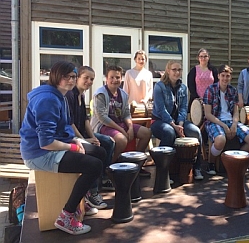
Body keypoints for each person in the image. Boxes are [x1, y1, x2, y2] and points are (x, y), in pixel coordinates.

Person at [20, 61, 106, 235]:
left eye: (73, 76)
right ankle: (66, 216)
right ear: (55, 77)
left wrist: (76, 140)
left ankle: (84, 198)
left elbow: (63, 128)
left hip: (55, 144)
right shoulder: (48, 100)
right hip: (39, 154)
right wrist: (73, 147)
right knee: (93, 165)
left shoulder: (60, 95)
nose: (70, 80)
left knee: (100, 152)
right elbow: (45, 142)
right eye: (65, 76)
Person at [65, 66, 115, 210]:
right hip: (72, 137)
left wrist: (93, 136)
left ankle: (103, 179)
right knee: (95, 151)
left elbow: (86, 120)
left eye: (91, 79)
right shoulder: (70, 95)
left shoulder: (82, 95)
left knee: (107, 142)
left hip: (83, 134)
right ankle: (92, 192)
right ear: (78, 78)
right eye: (85, 78)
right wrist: (86, 141)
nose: (89, 81)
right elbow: (71, 123)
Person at [90, 65, 152, 175]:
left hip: (120, 123)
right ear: (106, 79)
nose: (115, 80)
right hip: (103, 126)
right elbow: (102, 118)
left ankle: (134, 164)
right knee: (122, 140)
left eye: (117, 77)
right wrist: (122, 130)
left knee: (146, 133)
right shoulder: (100, 94)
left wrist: (130, 127)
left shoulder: (123, 94)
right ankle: (110, 168)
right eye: (112, 77)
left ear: (121, 78)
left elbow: (126, 114)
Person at [151, 60, 204, 180]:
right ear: (168, 71)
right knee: (169, 132)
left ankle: (197, 167)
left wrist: (180, 123)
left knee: (196, 131)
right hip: (160, 121)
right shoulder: (159, 86)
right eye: (174, 69)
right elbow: (161, 110)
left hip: (178, 122)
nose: (177, 72)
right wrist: (175, 126)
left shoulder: (183, 88)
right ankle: (163, 171)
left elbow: (184, 108)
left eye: (179, 70)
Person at [203, 64, 249, 175]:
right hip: (215, 121)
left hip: (231, 121)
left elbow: (235, 112)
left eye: (227, 76)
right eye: (223, 75)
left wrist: (234, 124)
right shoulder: (210, 90)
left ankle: (235, 161)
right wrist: (224, 126)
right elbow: (208, 114)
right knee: (220, 140)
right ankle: (211, 163)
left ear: (230, 77)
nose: (225, 78)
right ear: (218, 76)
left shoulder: (232, 91)